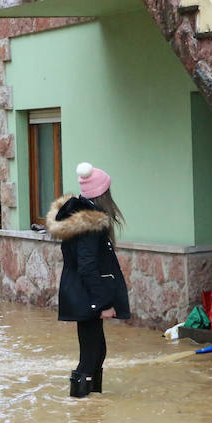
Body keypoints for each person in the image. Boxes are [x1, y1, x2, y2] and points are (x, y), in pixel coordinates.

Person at [46, 162, 130, 398]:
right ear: (103, 194)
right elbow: (87, 265)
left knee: (95, 351)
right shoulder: (90, 223)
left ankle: (92, 410)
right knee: (91, 355)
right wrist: (102, 302)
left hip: (82, 294)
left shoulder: (80, 218)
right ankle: (82, 407)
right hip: (87, 295)